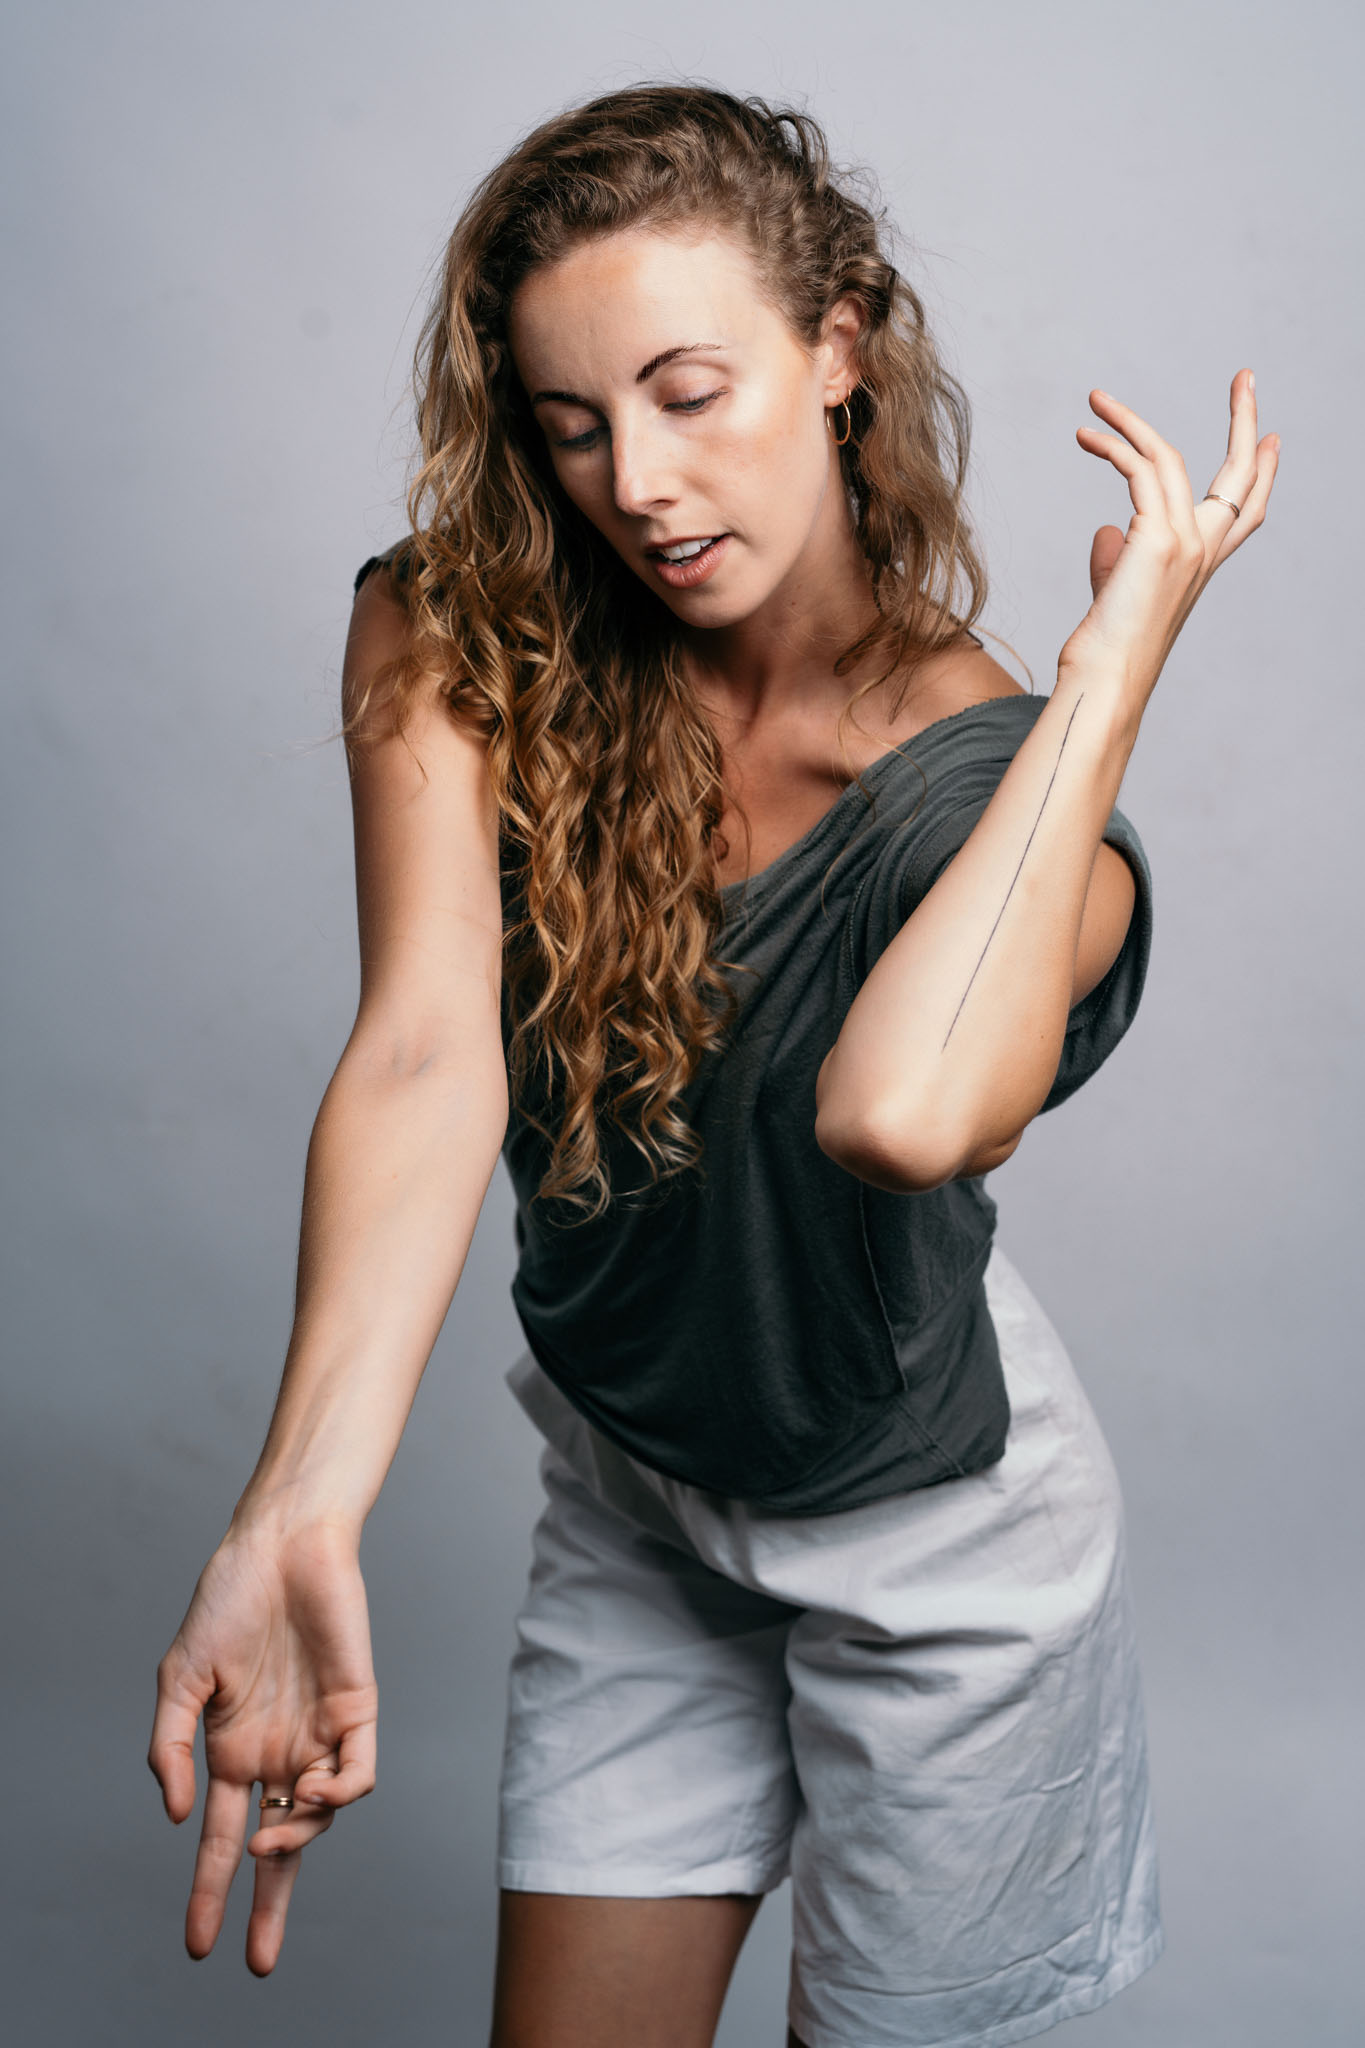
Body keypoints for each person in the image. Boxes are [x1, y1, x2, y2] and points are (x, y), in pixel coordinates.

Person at [147, 83, 1278, 2048]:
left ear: (835, 353)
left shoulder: (976, 782)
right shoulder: (451, 631)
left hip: (935, 1552)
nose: (636, 482)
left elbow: (903, 1110)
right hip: (641, 1490)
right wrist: (296, 1508)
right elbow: (424, 1052)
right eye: (570, 422)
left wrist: (1105, 670)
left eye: (688, 392)